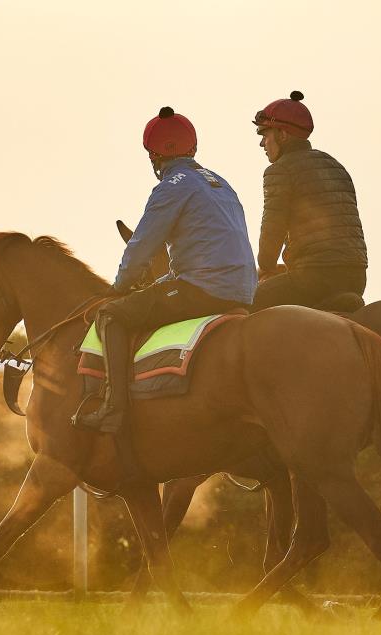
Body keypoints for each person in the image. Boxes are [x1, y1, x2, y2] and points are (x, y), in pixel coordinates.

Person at [73, 107, 257, 434]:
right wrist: (158, 283)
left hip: (204, 288)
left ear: (154, 156)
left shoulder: (171, 186)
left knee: (112, 316)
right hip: (243, 289)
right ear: (193, 147)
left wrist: (119, 287)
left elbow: (141, 246)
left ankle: (113, 409)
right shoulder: (220, 183)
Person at [251, 91, 368, 312]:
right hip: (356, 277)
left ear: (282, 135)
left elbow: (273, 228)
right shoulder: (335, 165)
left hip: (314, 278)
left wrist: (265, 265)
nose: (262, 143)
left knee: (245, 303)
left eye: (265, 135)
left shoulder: (279, 170)